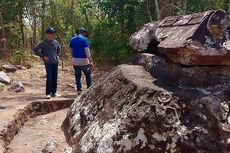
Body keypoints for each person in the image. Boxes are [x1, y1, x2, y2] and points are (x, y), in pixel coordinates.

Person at [33, 27, 61, 99]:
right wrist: (43, 56)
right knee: (49, 78)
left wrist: (58, 56)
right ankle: (48, 93)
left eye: (53, 34)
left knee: (55, 78)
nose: (51, 35)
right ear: (47, 34)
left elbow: (59, 49)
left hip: (55, 62)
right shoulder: (43, 42)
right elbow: (35, 49)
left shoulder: (56, 42)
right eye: (50, 34)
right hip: (48, 63)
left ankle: (54, 93)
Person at [70, 28, 93, 95]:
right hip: (84, 62)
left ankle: (79, 90)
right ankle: (89, 89)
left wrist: (73, 57)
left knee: (77, 76)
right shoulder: (84, 40)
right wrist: (90, 60)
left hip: (75, 61)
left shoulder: (72, 39)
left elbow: (71, 51)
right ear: (83, 33)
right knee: (88, 75)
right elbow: (87, 51)